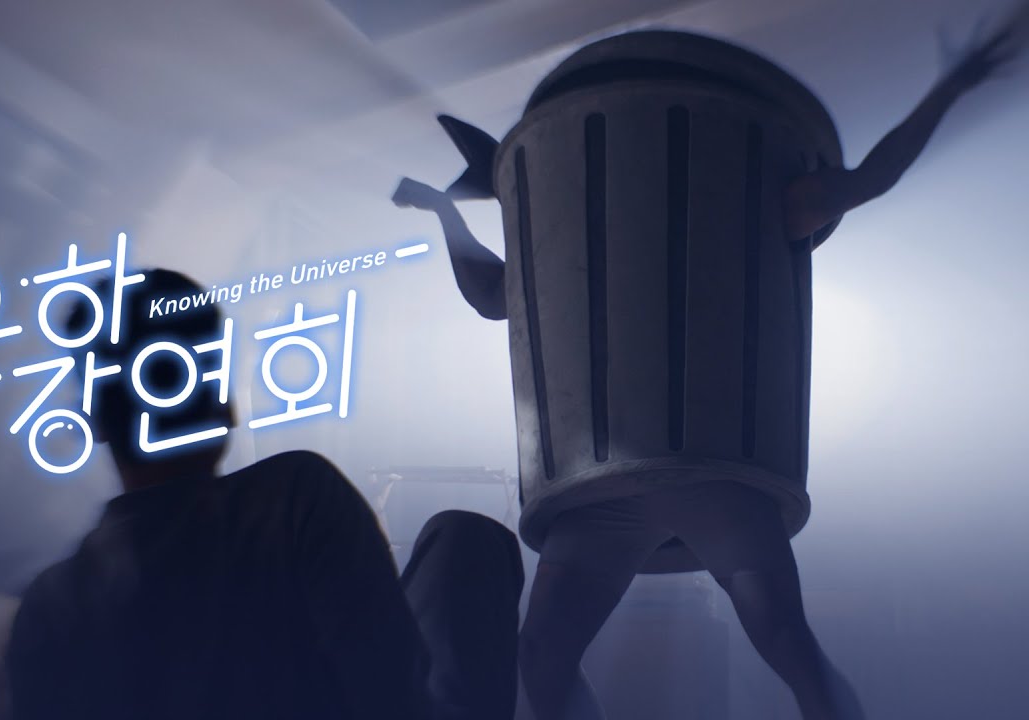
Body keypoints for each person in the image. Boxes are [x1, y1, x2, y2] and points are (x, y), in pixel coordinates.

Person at [392, 20, 1021, 720]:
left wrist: (949, 90)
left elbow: (875, 176)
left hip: (710, 475)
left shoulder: (744, 198)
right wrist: (445, 210)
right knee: (543, 656)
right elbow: (493, 295)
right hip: (613, 491)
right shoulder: (570, 249)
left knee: (786, 645)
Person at [5, 269, 524, 720]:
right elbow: (392, 693)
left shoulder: (48, 607)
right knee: (466, 540)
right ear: (221, 401)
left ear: (95, 418)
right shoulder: (296, 497)